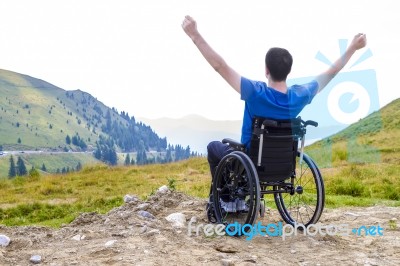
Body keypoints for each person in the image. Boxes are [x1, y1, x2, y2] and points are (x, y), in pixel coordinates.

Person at [181, 15, 367, 203]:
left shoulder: (255, 92)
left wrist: (194, 35)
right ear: (288, 71)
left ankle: (226, 199)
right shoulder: (299, 96)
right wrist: (352, 48)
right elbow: (330, 73)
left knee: (214, 147)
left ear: (266, 70)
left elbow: (219, 66)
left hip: (249, 162)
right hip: (282, 164)